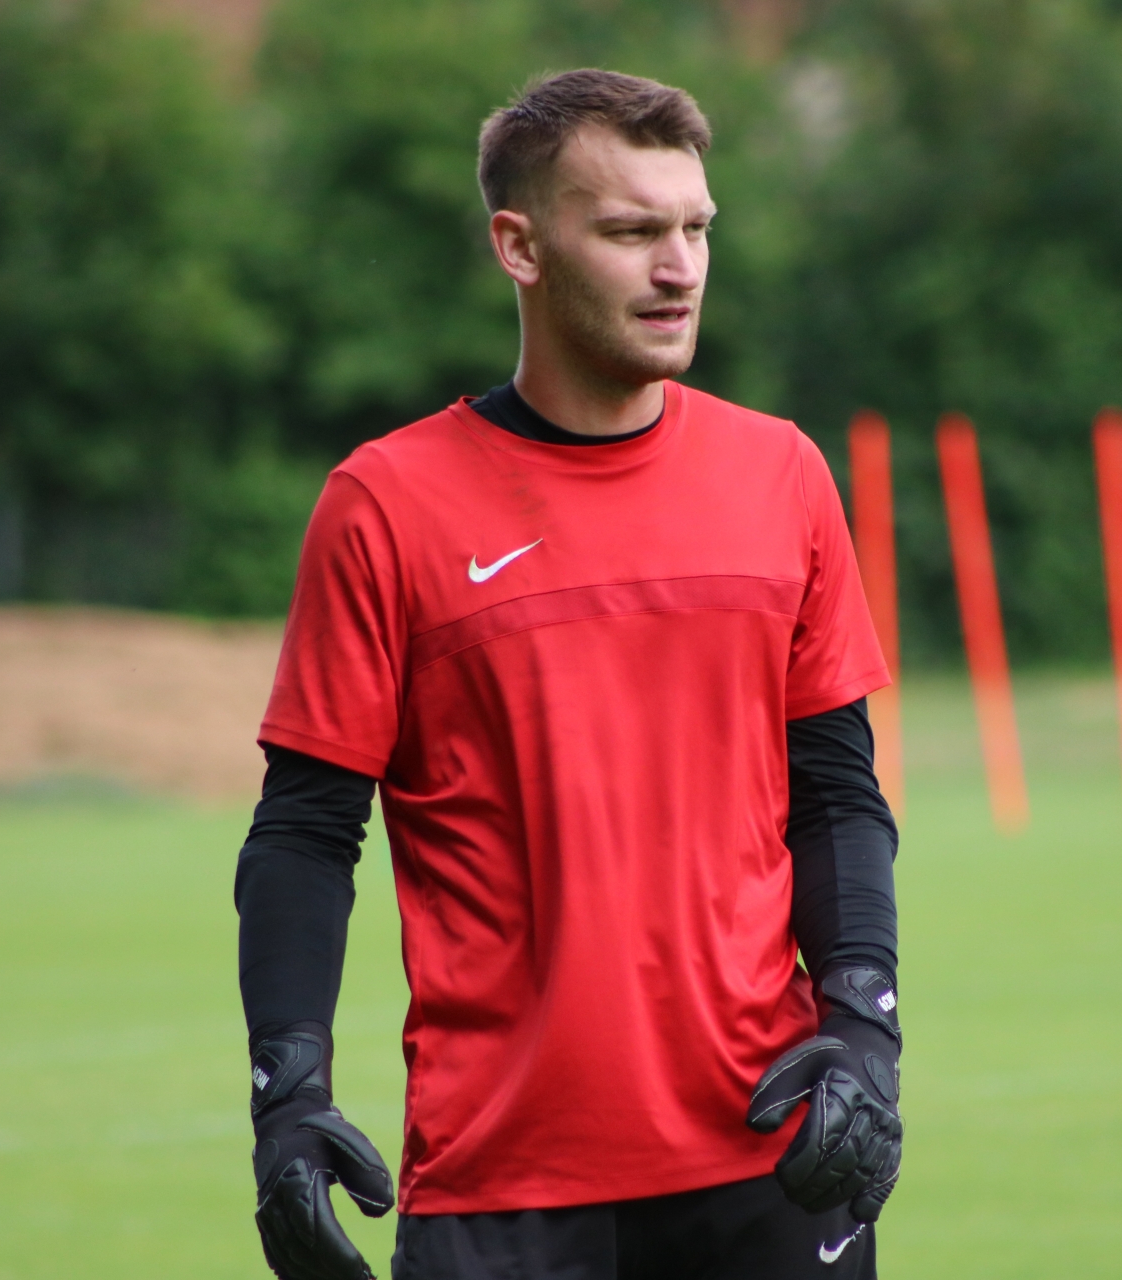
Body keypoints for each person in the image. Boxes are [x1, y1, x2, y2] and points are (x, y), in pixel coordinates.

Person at [235, 68, 902, 1280]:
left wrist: (864, 1025)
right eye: (633, 231)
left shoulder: (784, 477)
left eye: (697, 227)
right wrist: (288, 1091)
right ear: (521, 246)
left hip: (775, 1155)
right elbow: (305, 831)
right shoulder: (387, 503)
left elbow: (836, 795)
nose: (680, 267)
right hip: (502, 1184)